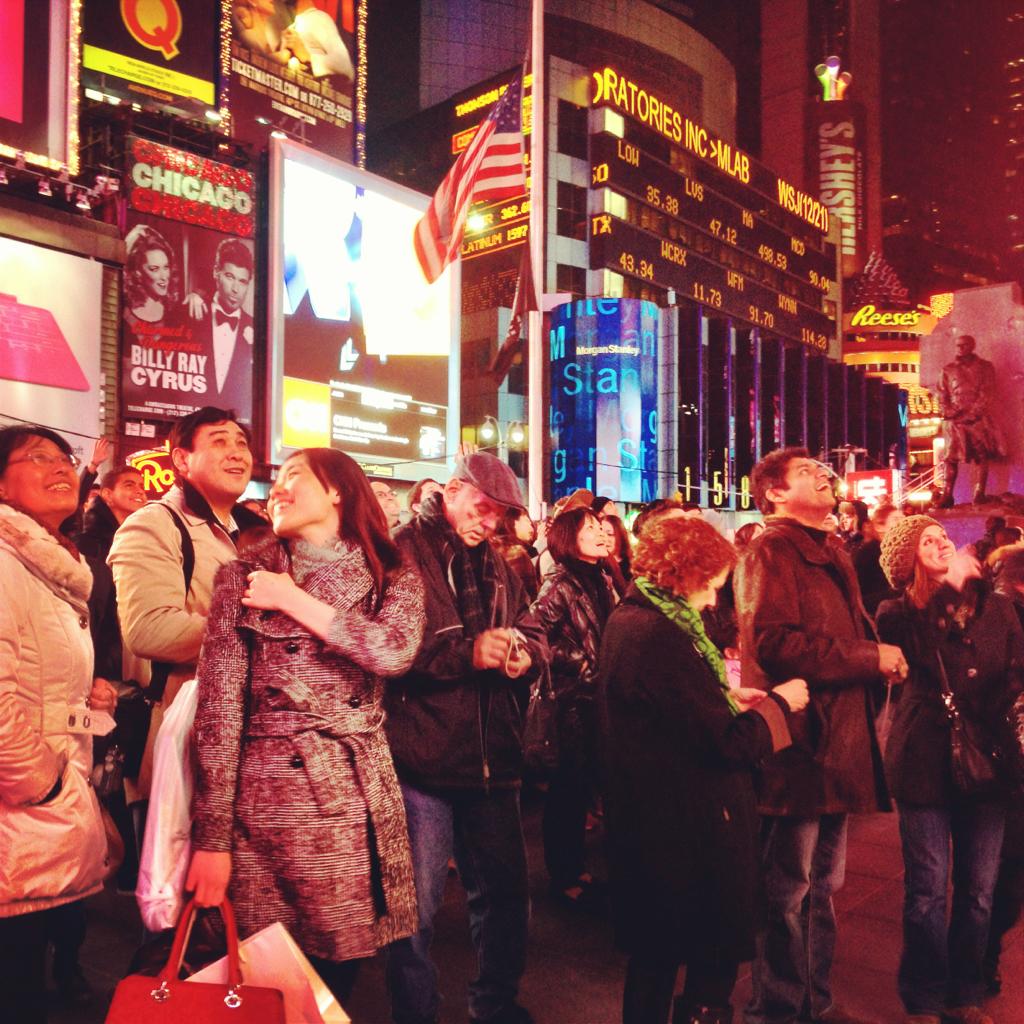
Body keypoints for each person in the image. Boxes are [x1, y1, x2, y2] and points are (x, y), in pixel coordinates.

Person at [186, 448, 423, 1000]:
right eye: (277, 483)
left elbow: (392, 652)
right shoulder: (242, 576)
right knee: (260, 965)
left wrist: (292, 600)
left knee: (335, 967)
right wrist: (211, 840)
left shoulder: (391, 575)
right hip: (265, 800)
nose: (279, 490)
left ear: (337, 491)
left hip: (352, 788)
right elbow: (219, 715)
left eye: (295, 476)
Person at [598, 516, 808, 1024]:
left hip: (656, 824)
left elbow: (667, 708)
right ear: (686, 575)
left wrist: (724, 696)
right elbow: (727, 745)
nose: (715, 601)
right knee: (704, 960)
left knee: (654, 959)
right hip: (689, 832)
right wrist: (779, 706)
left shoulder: (635, 618)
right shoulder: (661, 634)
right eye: (712, 587)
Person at [734, 447, 904, 1024]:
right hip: (800, 745)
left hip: (837, 745)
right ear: (775, 493)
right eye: (807, 471)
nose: (824, 477)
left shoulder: (830, 548)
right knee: (788, 888)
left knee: (821, 887)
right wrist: (868, 656)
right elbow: (774, 644)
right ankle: (778, 1009)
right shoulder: (769, 551)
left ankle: (813, 1002)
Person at [383, 451, 548, 1024]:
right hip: (422, 754)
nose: (489, 523)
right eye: (482, 508)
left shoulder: (497, 564)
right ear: (451, 490)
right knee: (416, 908)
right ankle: (416, 1011)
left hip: (492, 755)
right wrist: (467, 654)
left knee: (505, 897)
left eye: (500, 516)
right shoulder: (403, 549)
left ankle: (495, 1004)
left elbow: (530, 626)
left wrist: (523, 655)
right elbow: (385, 648)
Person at [876, 516, 1024, 1024]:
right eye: (927, 540)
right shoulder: (897, 610)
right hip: (924, 762)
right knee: (927, 890)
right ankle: (923, 996)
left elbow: (1014, 675)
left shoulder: (999, 607)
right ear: (908, 559)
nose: (941, 543)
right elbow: (915, 649)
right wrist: (949, 594)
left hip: (990, 763)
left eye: (944, 537)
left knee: (980, 891)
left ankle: (966, 990)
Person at [0, 425, 116, 1022]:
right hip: (23, 811)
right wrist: (42, 783)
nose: (60, 467)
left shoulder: (51, 566)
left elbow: (35, 677)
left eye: (63, 457)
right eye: (36, 457)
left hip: (47, 810)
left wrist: (91, 698)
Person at [108, 407, 261, 802]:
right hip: (180, 733)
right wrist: (258, 625)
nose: (236, 453)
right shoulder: (155, 524)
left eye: (241, 443)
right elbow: (149, 630)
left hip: (237, 735)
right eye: (219, 442)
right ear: (181, 459)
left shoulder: (243, 533)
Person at [531, 507, 616, 909]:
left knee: (584, 787)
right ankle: (562, 873)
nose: (602, 532)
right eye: (590, 528)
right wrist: (580, 661)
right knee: (567, 791)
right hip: (570, 701)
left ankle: (577, 865)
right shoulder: (560, 581)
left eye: (602, 526)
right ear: (568, 537)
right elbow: (532, 633)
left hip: (597, 698)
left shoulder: (601, 577)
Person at [179, 238, 255, 416]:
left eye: (242, 281)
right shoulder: (191, 312)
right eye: (230, 277)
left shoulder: (257, 330)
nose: (235, 289)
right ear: (216, 273)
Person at [938, 335, 1005, 507]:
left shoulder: (985, 367)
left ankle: (979, 493)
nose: (960, 348)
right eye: (958, 345)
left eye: (964, 345)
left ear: (972, 346)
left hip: (976, 420)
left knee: (981, 456)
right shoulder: (948, 369)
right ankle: (947, 495)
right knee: (950, 458)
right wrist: (948, 410)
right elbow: (942, 393)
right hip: (954, 420)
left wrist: (974, 413)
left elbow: (987, 392)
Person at [75, 467, 146, 561]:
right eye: (129, 485)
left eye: (142, 487)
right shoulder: (85, 544)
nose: (140, 491)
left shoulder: (148, 539)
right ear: (108, 494)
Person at [853, 502, 906, 617]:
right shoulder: (869, 552)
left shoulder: (900, 552)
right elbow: (859, 596)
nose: (903, 523)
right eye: (896, 519)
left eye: (904, 519)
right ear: (879, 526)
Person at [124, 224, 178, 325]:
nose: (164, 277)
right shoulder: (125, 313)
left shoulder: (173, 314)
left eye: (166, 267)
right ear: (138, 272)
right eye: (154, 269)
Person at [492, 507, 541, 601]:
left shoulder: (492, 549)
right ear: (514, 522)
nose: (532, 527)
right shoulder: (516, 555)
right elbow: (529, 596)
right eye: (527, 521)